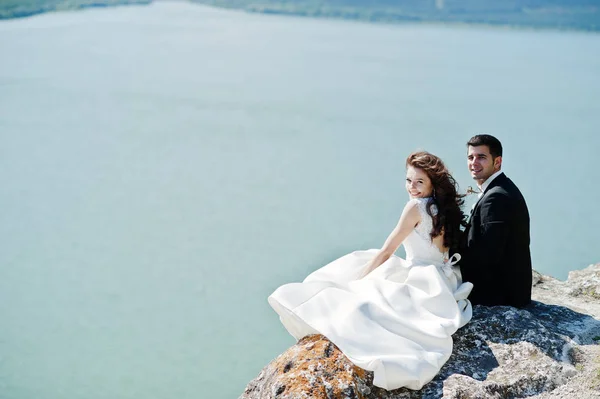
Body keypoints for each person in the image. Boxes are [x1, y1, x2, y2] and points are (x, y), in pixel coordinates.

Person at [268, 151, 473, 391]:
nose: (412, 187)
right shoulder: (442, 207)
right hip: (442, 280)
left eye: (419, 182)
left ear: (432, 184)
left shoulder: (415, 208)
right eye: (408, 180)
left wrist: (358, 281)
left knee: (356, 283)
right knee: (362, 265)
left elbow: (387, 251)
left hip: (420, 276)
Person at [458, 134, 532, 307]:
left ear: (497, 162)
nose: (474, 163)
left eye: (481, 157)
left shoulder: (496, 197)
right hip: (504, 288)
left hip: (499, 295)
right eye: (471, 157)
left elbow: (488, 255)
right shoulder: (501, 188)